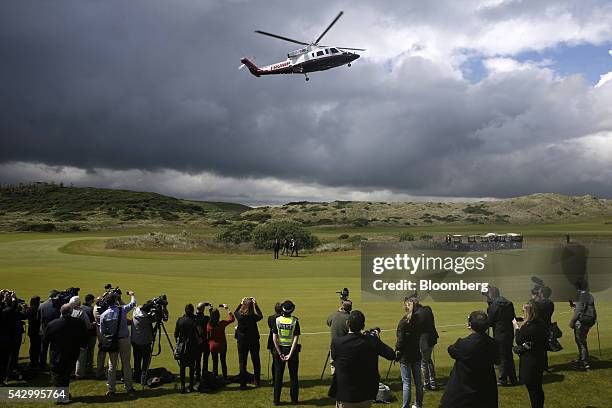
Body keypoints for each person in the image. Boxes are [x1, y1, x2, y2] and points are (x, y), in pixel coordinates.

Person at [331, 310, 396, 407]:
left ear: (347, 323)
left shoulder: (337, 342)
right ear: (363, 326)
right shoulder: (372, 341)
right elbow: (391, 355)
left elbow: (334, 358)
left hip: (346, 395)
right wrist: (377, 340)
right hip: (366, 395)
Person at [440, 311, 499, 408]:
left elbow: (451, 350)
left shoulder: (463, 344)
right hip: (485, 392)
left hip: (463, 393)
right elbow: (497, 360)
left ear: (470, 325)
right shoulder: (493, 344)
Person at [44, 304, 87, 405]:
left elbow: (46, 339)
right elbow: (84, 337)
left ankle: (61, 396)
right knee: (65, 374)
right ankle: (64, 395)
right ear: (71, 312)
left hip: (57, 353)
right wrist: (82, 346)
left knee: (57, 374)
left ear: (61, 312)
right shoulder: (78, 322)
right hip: (72, 353)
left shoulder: (53, 324)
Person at [99, 291, 137, 397]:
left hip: (112, 341)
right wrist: (132, 295)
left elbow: (102, 332)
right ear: (116, 301)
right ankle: (129, 387)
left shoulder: (103, 315)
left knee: (112, 365)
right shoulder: (122, 310)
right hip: (124, 339)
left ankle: (111, 388)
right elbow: (133, 304)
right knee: (126, 364)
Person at [513, 302, 547, 408]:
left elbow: (518, 340)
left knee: (532, 388)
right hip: (539, 358)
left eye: (523, 311)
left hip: (530, 361)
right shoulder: (540, 323)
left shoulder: (529, 327)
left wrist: (516, 327)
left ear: (528, 312)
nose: (522, 312)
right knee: (537, 387)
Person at [486, 286, 517, 386]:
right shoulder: (509, 303)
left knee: (501, 356)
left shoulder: (494, 306)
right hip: (509, 332)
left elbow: (490, 322)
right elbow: (513, 317)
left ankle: (502, 379)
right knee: (509, 355)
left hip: (499, 333)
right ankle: (513, 378)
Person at [272, 300, 301, 405]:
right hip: (291, 351)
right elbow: (295, 339)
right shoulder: (295, 321)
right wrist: (290, 354)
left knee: (278, 377)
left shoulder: (277, 320)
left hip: (279, 349)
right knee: (293, 377)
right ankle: (294, 400)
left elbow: (274, 339)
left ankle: (276, 400)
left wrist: (280, 353)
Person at [396, 298, 423, 408]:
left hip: (406, 356)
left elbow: (400, 341)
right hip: (416, 353)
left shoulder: (403, 322)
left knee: (406, 383)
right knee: (418, 382)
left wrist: (397, 348)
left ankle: (405, 406)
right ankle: (418, 404)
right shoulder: (418, 320)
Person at [234, 297, 263, 389]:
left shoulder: (240, 316)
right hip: (253, 341)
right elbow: (260, 315)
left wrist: (240, 303)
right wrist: (256, 305)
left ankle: (243, 383)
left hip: (242, 342)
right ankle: (257, 381)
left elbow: (235, 311)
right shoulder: (253, 317)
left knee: (242, 362)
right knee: (256, 361)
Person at [411, 296, 438, 391]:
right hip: (432, 339)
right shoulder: (427, 309)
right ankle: (433, 381)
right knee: (428, 360)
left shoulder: (416, 315)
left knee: (423, 362)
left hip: (424, 342)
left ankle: (426, 384)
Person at [569, 278, 597, 370]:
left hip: (582, 322)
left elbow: (579, 311)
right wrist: (574, 306)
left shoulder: (580, 296)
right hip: (589, 321)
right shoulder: (589, 295)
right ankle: (583, 359)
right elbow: (585, 307)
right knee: (583, 341)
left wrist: (572, 322)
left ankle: (584, 363)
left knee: (581, 342)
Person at [174, 303, 201, 393]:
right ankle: (191, 386)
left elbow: (176, 334)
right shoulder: (194, 321)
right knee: (192, 367)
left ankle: (182, 386)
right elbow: (200, 333)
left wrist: (179, 343)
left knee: (182, 367)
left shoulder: (180, 320)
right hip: (192, 346)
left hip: (182, 347)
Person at [69, 296, 94, 379]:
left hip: (69, 337)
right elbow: (88, 326)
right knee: (80, 356)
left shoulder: (67, 310)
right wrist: (93, 324)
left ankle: (70, 372)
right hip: (80, 337)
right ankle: (79, 374)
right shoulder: (81, 313)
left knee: (70, 355)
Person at [207, 304, 235, 379]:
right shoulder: (221, 323)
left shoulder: (209, 325)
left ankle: (215, 377)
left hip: (212, 346)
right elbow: (232, 319)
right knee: (223, 362)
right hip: (222, 345)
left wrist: (210, 310)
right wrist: (227, 309)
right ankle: (225, 377)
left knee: (215, 363)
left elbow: (211, 319)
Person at [131, 301, 154, 386]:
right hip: (145, 342)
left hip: (135, 340)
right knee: (145, 361)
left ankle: (136, 376)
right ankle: (143, 379)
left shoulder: (135, 311)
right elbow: (156, 318)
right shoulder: (146, 318)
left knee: (137, 359)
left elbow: (138, 307)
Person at [326, 300, 352, 374]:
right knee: (345, 369)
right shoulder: (349, 318)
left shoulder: (334, 315)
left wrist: (338, 311)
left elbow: (328, 322)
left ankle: (335, 383)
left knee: (334, 367)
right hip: (345, 347)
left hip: (334, 346)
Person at [38, 290, 60, 369]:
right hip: (55, 331)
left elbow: (39, 318)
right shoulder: (58, 305)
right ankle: (53, 364)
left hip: (44, 330)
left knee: (43, 349)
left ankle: (42, 364)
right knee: (54, 349)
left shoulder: (42, 305)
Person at [534, 286, 554, 371]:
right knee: (543, 348)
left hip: (539, 327)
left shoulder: (539, 303)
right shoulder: (550, 303)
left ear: (541, 293)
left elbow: (535, 314)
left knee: (538, 348)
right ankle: (544, 366)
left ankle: (540, 366)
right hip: (547, 326)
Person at [80, 294, 97, 377]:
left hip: (82, 334)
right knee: (90, 351)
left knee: (82, 352)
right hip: (91, 334)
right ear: (90, 300)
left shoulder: (80, 308)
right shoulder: (91, 309)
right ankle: (89, 368)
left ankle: (81, 368)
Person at [195, 302, 211, 381]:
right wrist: (211, 308)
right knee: (205, 360)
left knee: (197, 360)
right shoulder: (206, 318)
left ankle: (197, 375)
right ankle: (204, 374)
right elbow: (213, 319)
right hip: (205, 341)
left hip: (197, 342)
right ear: (203, 309)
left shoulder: (194, 318)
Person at [267, 303, 282, 382]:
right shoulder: (282, 318)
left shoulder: (270, 318)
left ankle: (274, 379)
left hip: (272, 342)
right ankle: (278, 379)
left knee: (275, 361)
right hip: (280, 341)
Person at [26, 296, 42, 369]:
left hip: (31, 330)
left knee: (32, 346)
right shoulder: (37, 309)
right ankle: (35, 361)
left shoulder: (29, 309)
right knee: (37, 347)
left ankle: (32, 360)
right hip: (37, 330)